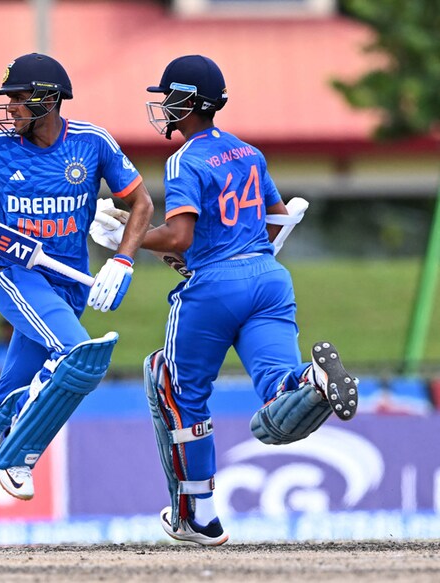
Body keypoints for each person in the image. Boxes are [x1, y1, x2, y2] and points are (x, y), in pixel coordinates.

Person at [0, 53, 154, 554]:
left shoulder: (93, 143)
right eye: (9, 100)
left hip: (70, 283)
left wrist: (123, 261)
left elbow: (143, 204)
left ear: (48, 99)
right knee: (77, 354)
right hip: (18, 272)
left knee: (9, 393)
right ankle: (19, 450)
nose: (10, 108)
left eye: (19, 99)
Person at [128, 55, 359, 546]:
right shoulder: (248, 152)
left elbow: (179, 235)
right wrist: (238, 249)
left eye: (170, 98)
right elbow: (276, 219)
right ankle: (312, 380)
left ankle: (200, 517)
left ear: (189, 103)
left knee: (175, 388)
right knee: (278, 388)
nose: (164, 107)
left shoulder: (183, 159)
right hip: (269, 277)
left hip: (214, 288)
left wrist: (130, 238)